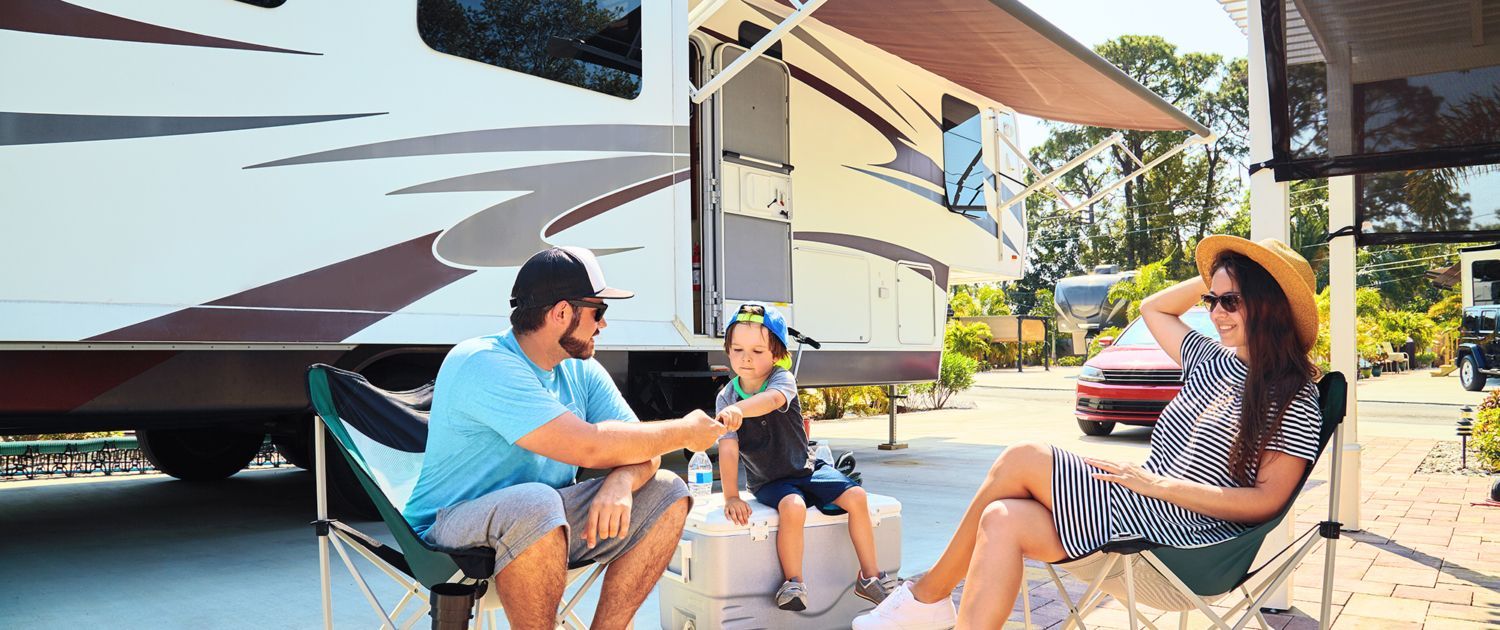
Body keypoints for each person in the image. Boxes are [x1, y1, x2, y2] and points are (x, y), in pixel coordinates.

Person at [854, 236, 1325, 629]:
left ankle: (927, 596)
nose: (1216, 312)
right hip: (1138, 505)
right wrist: (1226, 271)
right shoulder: (1213, 359)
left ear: (1269, 307)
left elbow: (1268, 500)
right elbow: (1153, 309)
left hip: (1185, 535)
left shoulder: (1292, 395)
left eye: (1232, 301)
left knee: (1023, 456)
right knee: (1001, 517)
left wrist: (1160, 486)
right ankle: (933, 607)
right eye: (1212, 300)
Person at [404, 246, 733, 630]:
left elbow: (640, 447)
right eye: (599, 312)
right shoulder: (482, 363)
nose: (603, 326)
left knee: (667, 490)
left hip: (542, 521)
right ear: (561, 313)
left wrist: (621, 482)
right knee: (537, 501)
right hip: (450, 531)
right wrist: (686, 430)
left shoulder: (582, 370)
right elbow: (589, 446)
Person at [714, 303, 899, 611]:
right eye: (737, 349)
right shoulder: (726, 396)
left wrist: (738, 411)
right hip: (769, 479)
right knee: (794, 506)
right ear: (728, 351)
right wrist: (731, 496)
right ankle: (793, 583)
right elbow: (729, 449)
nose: (746, 358)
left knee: (856, 496)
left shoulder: (781, 379)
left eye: (758, 351)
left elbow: (771, 401)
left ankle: (869, 577)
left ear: (777, 355)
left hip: (807, 467)